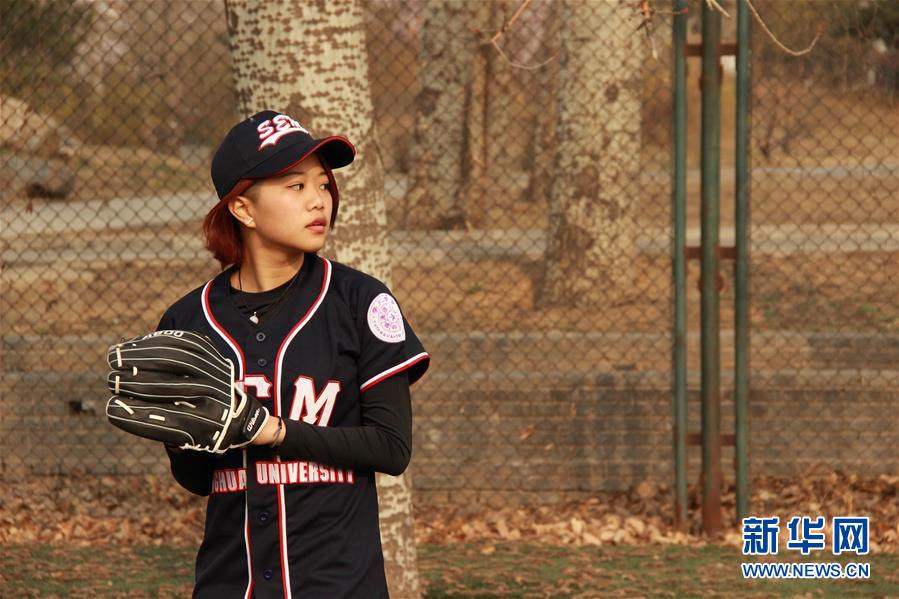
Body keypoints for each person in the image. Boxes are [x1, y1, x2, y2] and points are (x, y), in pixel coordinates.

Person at [156, 110, 430, 598]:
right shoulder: (188, 321)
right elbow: (199, 480)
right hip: (229, 582)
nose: (318, 200)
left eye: (322, 184)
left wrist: (277, 431)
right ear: (243, 209)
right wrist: (180, 441)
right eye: (295, 186)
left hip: (338, 584)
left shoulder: (359, 302)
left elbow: (391, 447)